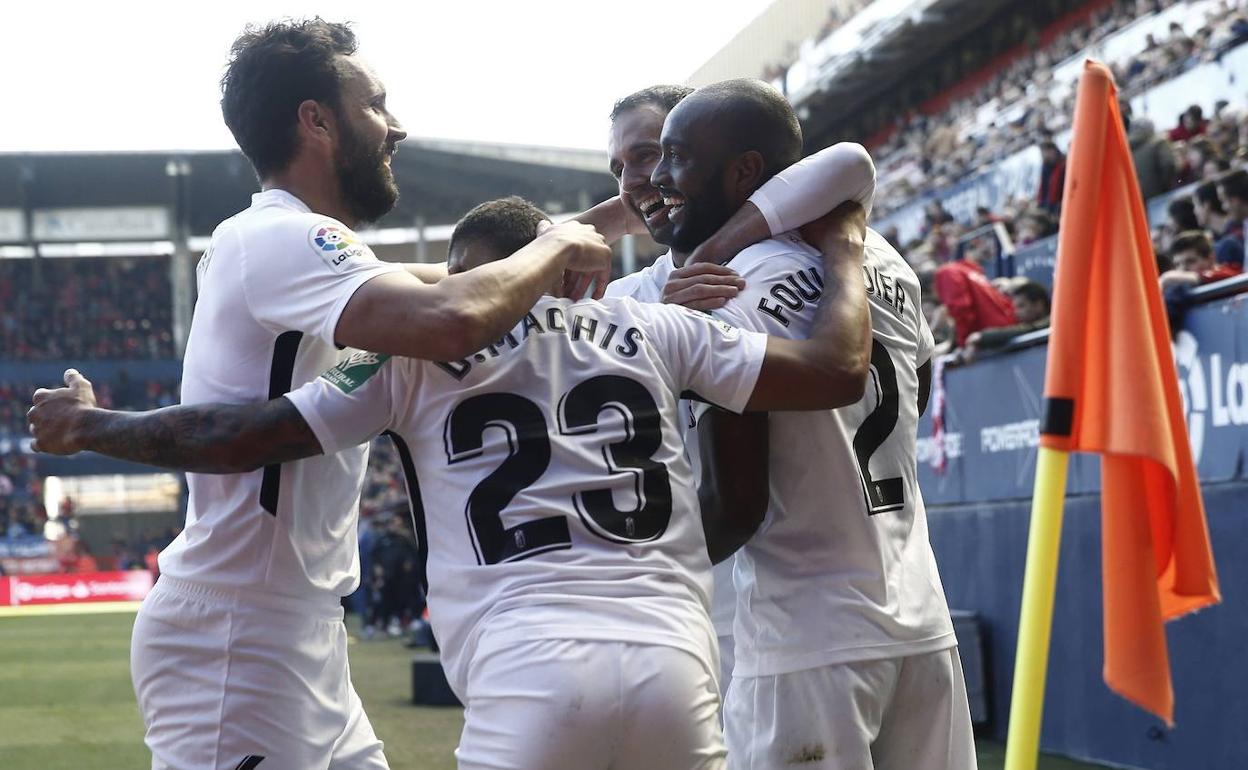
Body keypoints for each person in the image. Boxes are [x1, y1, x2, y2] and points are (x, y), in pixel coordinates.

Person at [29, 195, 874, 770]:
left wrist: (91, 430)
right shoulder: (657, 325)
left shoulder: (410, 361)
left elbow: (242, 432)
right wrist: (844, 251)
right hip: (678, 664)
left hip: (526, 666)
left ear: (483, 273)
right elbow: (837, 370)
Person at [62, 19, 612, 770]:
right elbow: (453, 318)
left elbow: (469, 285)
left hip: (295, 628)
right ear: (315, 120)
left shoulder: (303, 248)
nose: (397, 127)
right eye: (377, 104)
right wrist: (557, 246)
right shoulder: (281, 239)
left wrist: (628, 215)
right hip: (238, 637)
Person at [648, 80, 974, 770]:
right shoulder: (878, 257)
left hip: (807, 640)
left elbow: (737, 506)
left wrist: (633, 575)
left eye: (675, 157)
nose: (656, 177)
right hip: (921, 621)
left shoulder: (724, 292)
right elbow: (916, 371)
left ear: (744, 172)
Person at [602, 83, 878, 698]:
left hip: (752, 604)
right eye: (618, 169)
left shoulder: (729, 289)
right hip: (872, 595)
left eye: (656, 154)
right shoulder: (863, 258)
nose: (642, 179)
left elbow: (738, 498)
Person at [934, 232, 1017, 347]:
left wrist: (964, 344)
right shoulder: (962, 270)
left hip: (989, 340)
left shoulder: (948, 272)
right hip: (1001, 335)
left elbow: (961, 310)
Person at [962, 280, 1052, 359]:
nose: (1016, 313)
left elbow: (1030, 329)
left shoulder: (1051, 322)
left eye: (1021, 306)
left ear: (1038, 305)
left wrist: (982, 337)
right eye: (1015, 308)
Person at [1159, 230, 1242, 290]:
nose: (1183, 269)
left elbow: (1231, 277)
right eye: (1177, 264)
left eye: (1190, 261)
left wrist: (1168, 278)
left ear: (1210, 258)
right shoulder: (1179, 291)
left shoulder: (1230, 272)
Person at [1193, 181, 1244, 267]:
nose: (1194, 211)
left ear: (1206, 206)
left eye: (1196, 205)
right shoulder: (1213, 241)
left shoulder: (1241, 231)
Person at [1037, 139, 1067, 214]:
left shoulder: (1063, 165)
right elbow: (1042, 188)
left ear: (1053, 151)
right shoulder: (1045, 167)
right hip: (1048, 206)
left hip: (1060, 205)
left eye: (1046, 152)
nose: (1045, 155)